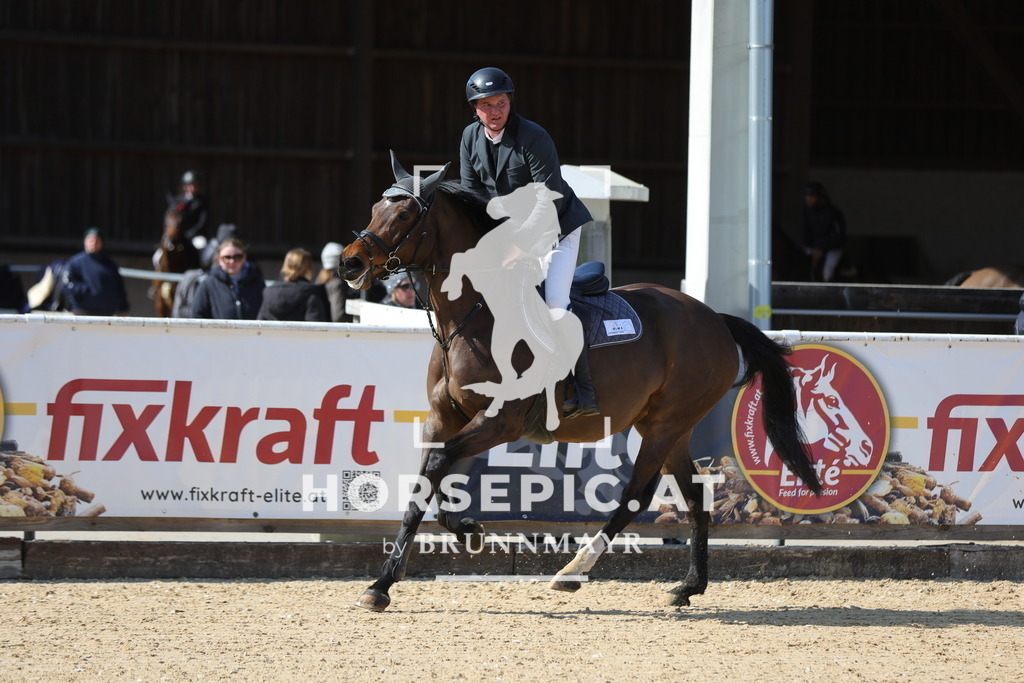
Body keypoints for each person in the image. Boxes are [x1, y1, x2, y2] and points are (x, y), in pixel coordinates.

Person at [459, 66, 598, 418]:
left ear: (510, 103)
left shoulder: (533, 137)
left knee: (554, 304)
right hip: (512, 231)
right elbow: (471, 196)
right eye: (487, 105)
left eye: (501, 103)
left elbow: (548, 198)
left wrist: (517, 246)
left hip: (555, 228)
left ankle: (582, 389)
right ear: (475, 109)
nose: (495, 111)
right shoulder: (469, 138)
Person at [61, 228, 130, 316]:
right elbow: (67, 283)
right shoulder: (75, 262)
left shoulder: (110, 264)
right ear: (84, 242)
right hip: (82, 311)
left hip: (107, 313)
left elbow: (119, 288)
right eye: (90, 240)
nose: (93, 243)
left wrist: (123, 308)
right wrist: (83, 291)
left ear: (102, 243)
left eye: (97, 240)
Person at [191, 238, 265, 320]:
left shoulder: (257, 283)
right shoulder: (208, 284)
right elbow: (197, 315)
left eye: (237, 257)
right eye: (227, 257)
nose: (232, 261)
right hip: (218, 332)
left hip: (251, 332)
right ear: (219, 259)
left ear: (244, 257)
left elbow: (265, 314)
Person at [257, 248, 328, 322]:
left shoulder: (269, 293)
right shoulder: (311, 295)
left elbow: (260, 326)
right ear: (309, 269)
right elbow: (317, 330)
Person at [801, 181, 847, 283]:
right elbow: (806, 232)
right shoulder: (807, 212)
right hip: (814, 248)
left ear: (820, 197)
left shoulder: (833, 213)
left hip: (832, 249)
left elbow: (839, 237)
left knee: (827, 273)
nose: (808, 199)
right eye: (807, 196)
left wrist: (823, 249)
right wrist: (809, 246)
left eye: (812, 196)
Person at [167, 170, 211, 246]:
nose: (191, 188)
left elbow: (202, 221)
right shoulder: (177, 200)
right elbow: (171, 216)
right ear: (184, 186)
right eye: (189, 185)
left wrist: (190, 233)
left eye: (194, 185)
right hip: (178, 234)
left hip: (196, 235)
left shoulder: (202, 202)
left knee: (201, 245)